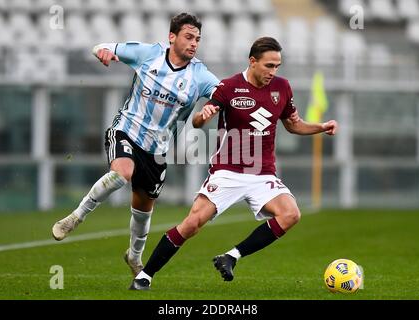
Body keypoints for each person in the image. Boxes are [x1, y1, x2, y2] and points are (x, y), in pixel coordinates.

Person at [130, 37, 338, 290]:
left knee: (291, 214)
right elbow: (197, 122)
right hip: (227, 171)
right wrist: (201, 116)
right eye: (269, 65)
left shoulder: (283, 88)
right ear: (252, 61)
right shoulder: (228, 86)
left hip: (262, 173)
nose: (273, 72)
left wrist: (320, 127)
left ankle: (231, 257)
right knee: (193, 223)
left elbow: (294, 124)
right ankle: (145, 275)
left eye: (277, 66)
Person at [51, 13, 219, 277]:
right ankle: (76, 216)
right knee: (122, 173)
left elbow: (223, 94)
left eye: (197, 38)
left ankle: (134, 256)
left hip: (158, 150)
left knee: (143, 209)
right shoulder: (148, 54)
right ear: (172, 37)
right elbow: (101, 46)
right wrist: (102, 53)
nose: (194, 43)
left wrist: (212, 106)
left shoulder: (199, 75)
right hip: (126, 131)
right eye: (188, 37)